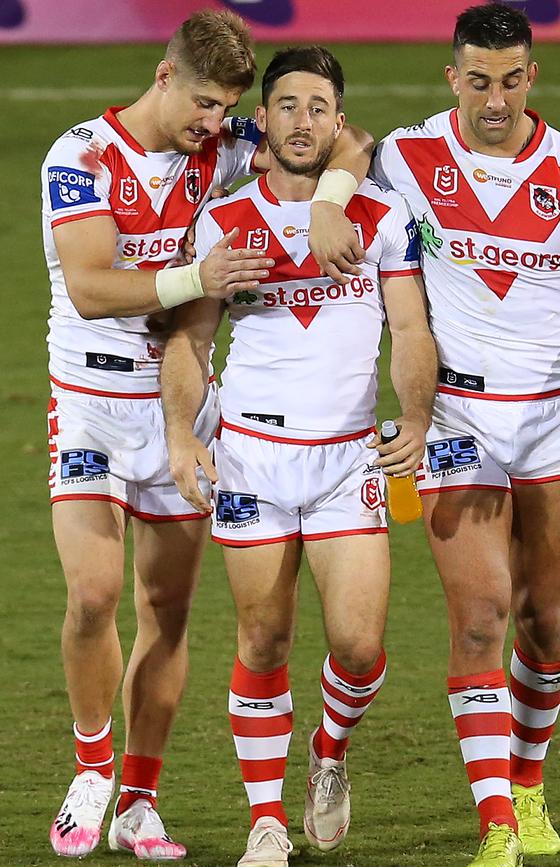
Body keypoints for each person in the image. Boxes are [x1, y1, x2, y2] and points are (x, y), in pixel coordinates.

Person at [42, 10, 374, 860]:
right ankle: (90, 766)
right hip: (89, 403)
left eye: (225, 108)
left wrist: (332, 197)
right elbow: (87, 285)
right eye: (201, 103)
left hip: (182, 412)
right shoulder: (80, 157)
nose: (212, 124)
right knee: (93, 592)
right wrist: (198, 273)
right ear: (162, 77)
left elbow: (347, 138)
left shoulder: (222, 146)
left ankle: (140, 800)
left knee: (168, 608)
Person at [371, 4, 560, 866]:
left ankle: (528, 783)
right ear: (453, 77)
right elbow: (311, 145)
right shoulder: (406, 156)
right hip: (457, 417)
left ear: (533, 77)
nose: (496, 99)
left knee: (544, 620)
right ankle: (497, 822)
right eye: (479, 80)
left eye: (512, 79)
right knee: (482, 615)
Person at [160, 46, 438, 867]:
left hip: (350, 459)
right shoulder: (223, 220)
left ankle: (329, 751)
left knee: (356, 645)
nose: (303, 120)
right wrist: (182, 436)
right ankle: (264, 821)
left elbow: (413, 329)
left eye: (319, 106)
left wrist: (415, 417)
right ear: (265, 120)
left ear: (338, 120)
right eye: (286, 105)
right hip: (252, 458)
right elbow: (191, 339)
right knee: (263, 639)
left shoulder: (381, 218)